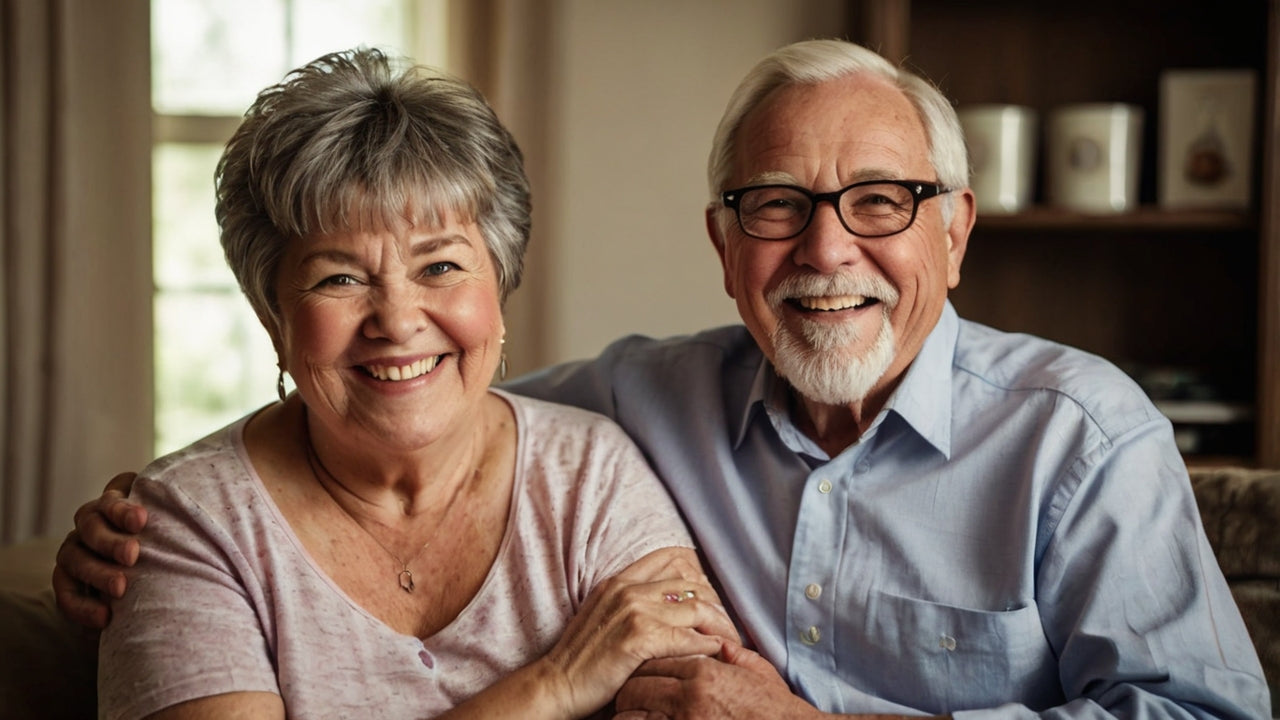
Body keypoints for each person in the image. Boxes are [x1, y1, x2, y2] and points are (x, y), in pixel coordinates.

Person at [57, 39, 1270, 719]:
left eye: (879, 203)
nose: (826, 249)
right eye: (776, 206)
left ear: (953, 231)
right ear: (722, 244)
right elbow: (408, 391)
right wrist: (151, 512)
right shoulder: (633, 410)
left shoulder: (1082, 439)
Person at [84, 47, 741, 720]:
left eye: (441, 267)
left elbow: (702, 703)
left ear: (501, 287)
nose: (397, 322)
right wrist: (553, 685)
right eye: (339, 277)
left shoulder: (593, 478)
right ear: (272, 315)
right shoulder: (190, 524)